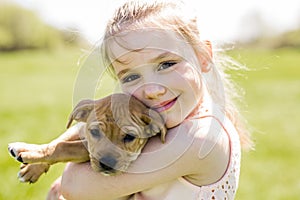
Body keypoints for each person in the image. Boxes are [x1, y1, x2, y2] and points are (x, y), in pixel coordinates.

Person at [47, 0, 253, 199]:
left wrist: (56, 154)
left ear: (203, 57)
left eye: (166, 64)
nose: (152, 90)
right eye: (131, 77)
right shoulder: (163, 124)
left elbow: (72, 186)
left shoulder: (199, 138)